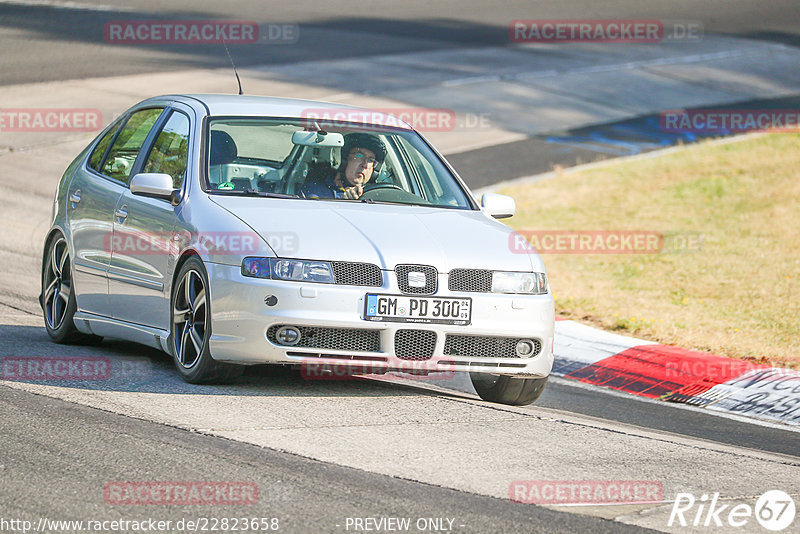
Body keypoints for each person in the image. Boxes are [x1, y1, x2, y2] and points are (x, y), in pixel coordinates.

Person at [300, 133, 387, 199]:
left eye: (370, 160)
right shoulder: (315, 190)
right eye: (359, 156)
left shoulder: (379, 197)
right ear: (343, 159)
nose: (365, 164)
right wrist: (343, 202)